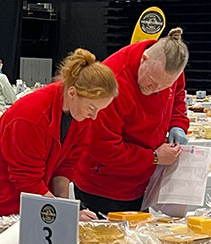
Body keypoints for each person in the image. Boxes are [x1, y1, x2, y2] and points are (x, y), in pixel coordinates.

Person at [0, 48, 118, 231]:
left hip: (23, 198)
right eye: (92, 108)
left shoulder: (80, 116)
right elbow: (26, 179)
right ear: (72, 93)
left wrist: (64, 210)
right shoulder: (31, 115)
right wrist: (65, 214)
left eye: (99, 110)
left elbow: (65, 167)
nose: (94, 116)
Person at [74, 27, 190, 216]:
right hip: (103, 185)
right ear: (144, 59)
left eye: (164, 86)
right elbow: (103, 147)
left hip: (144, 182)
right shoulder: (113, 82)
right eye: (151, 81)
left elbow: (178, 96)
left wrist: (178, 124)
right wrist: (154, 157)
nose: (155, 89)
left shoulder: (169, 69)